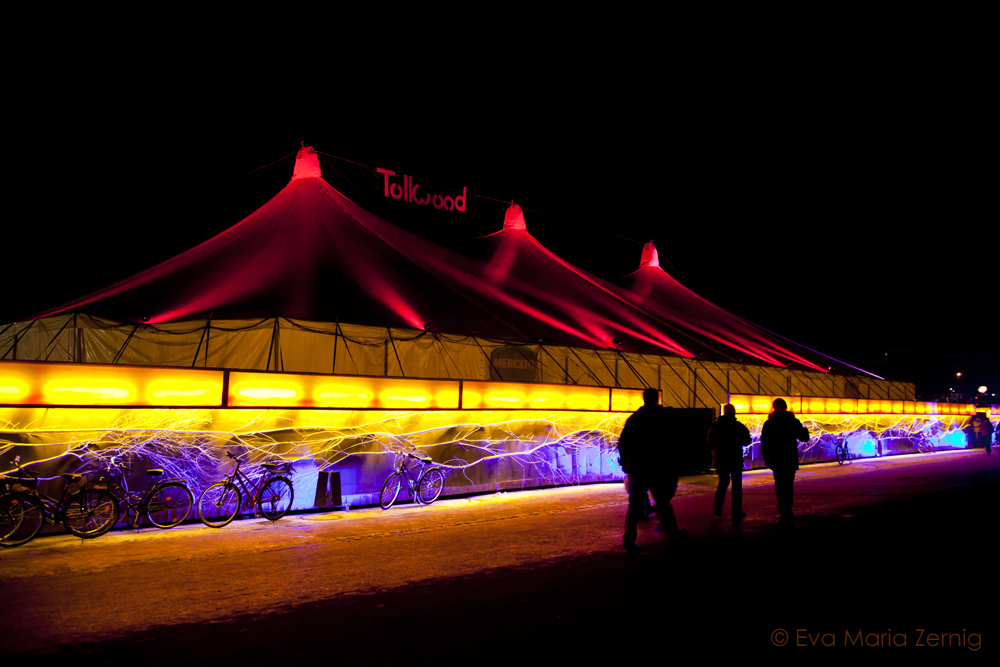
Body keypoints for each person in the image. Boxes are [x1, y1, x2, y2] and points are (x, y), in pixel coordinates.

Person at [617, 387, 688, 553]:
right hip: (659, 467)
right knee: (663, 503)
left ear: (644, 399)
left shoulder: (634, 419)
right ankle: (673, 535)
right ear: (657, 399)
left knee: (634, 505)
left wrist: (626, 462)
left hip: (637, 466)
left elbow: (623, 443)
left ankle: (629, 540)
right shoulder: (664, 419)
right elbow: (675, 442)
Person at [760, 398, 809, 522]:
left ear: (774, 407)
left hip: (776, 458)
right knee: (788, 483)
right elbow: (804, 438)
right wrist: (805, 430)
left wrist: (767, 459)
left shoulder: (769, 423)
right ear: (785, 406)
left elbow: (764, 443)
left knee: (779, 482)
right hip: (789, 457)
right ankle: (787, 507)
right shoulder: (792, 421)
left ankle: (782, 505)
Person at [709, 403, 752, 521]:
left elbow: (710, 442)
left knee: (723, 483)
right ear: (734, 412)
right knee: (737, 485)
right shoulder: (738, 426)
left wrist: (716, 450)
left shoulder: (716, 426)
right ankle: (736, 512)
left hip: (722, 459)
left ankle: (717, 506)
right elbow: (747, 440)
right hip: (735, 459)